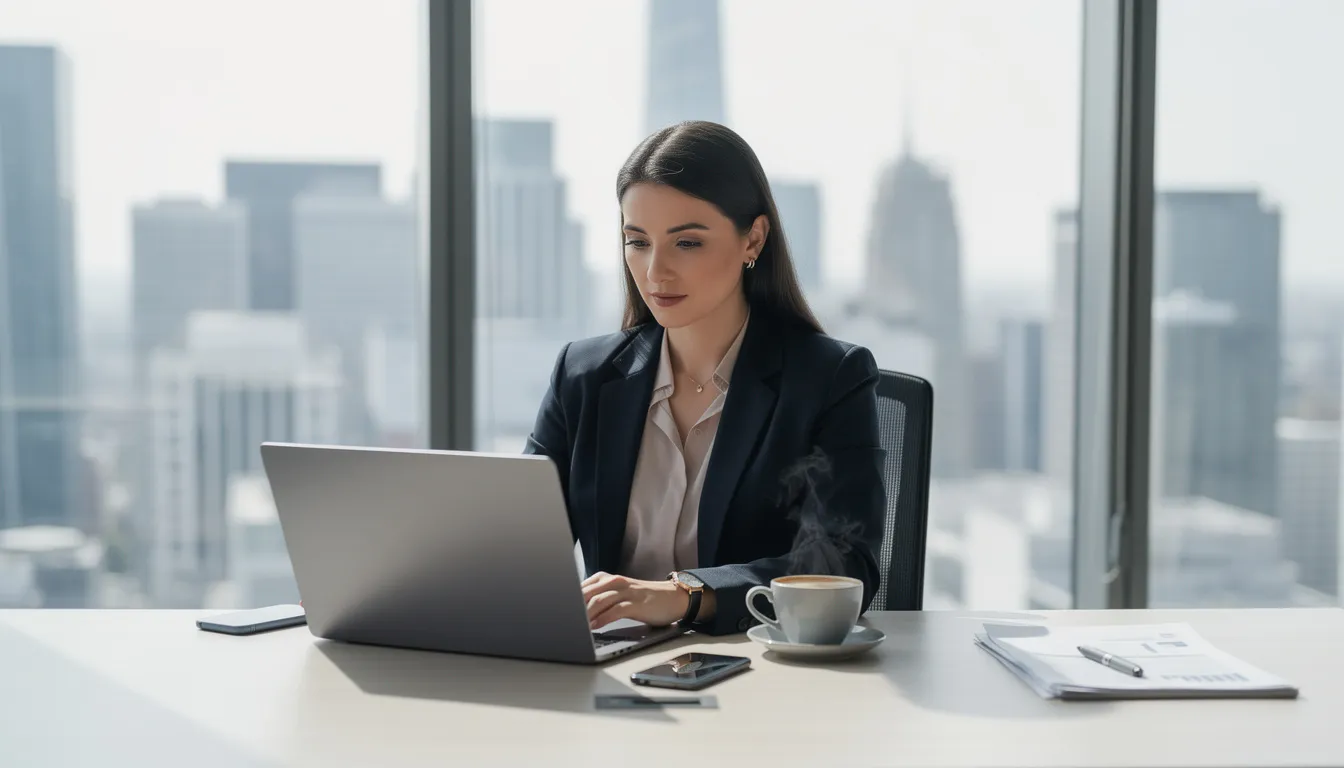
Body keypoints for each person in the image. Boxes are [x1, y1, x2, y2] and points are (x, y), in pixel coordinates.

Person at [525, 120, 885, 636]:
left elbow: (841, 566)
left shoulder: (829, 380)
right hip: (612, 666)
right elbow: (519, 548)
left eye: (686, 243)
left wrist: (681, 596)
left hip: (758, 671)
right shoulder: (582, 377)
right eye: (637, 242)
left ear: (752, 239)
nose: (654, 272)